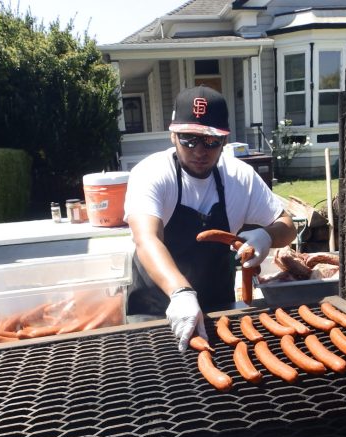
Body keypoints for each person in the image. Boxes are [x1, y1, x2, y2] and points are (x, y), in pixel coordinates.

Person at [124, 85, 297, 351]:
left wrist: (267, 235)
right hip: (154, 312)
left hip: (218, 312)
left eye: (211, 141)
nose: (199, 151)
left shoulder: (240, 177)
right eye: (188, 139)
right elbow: (147, 239)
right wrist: (180, 293)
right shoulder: (151, 173)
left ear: (224, 141)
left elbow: (287, 226)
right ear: (173, 136)